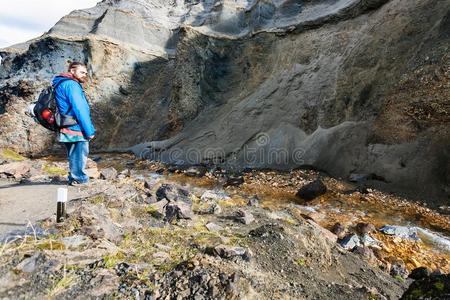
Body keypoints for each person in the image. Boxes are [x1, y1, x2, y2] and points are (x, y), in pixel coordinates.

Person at [52, 62, 96, 185]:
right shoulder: (71, 85)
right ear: (72, 71)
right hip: (75, 126)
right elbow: (80, 108)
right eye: (82, 72)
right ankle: (79, 179)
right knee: (79, 153)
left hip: (66, 125)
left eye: (86, 73)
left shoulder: (61, 83)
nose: (85, 75)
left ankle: (74, 177)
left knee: (74, 154)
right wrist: (89, 131)